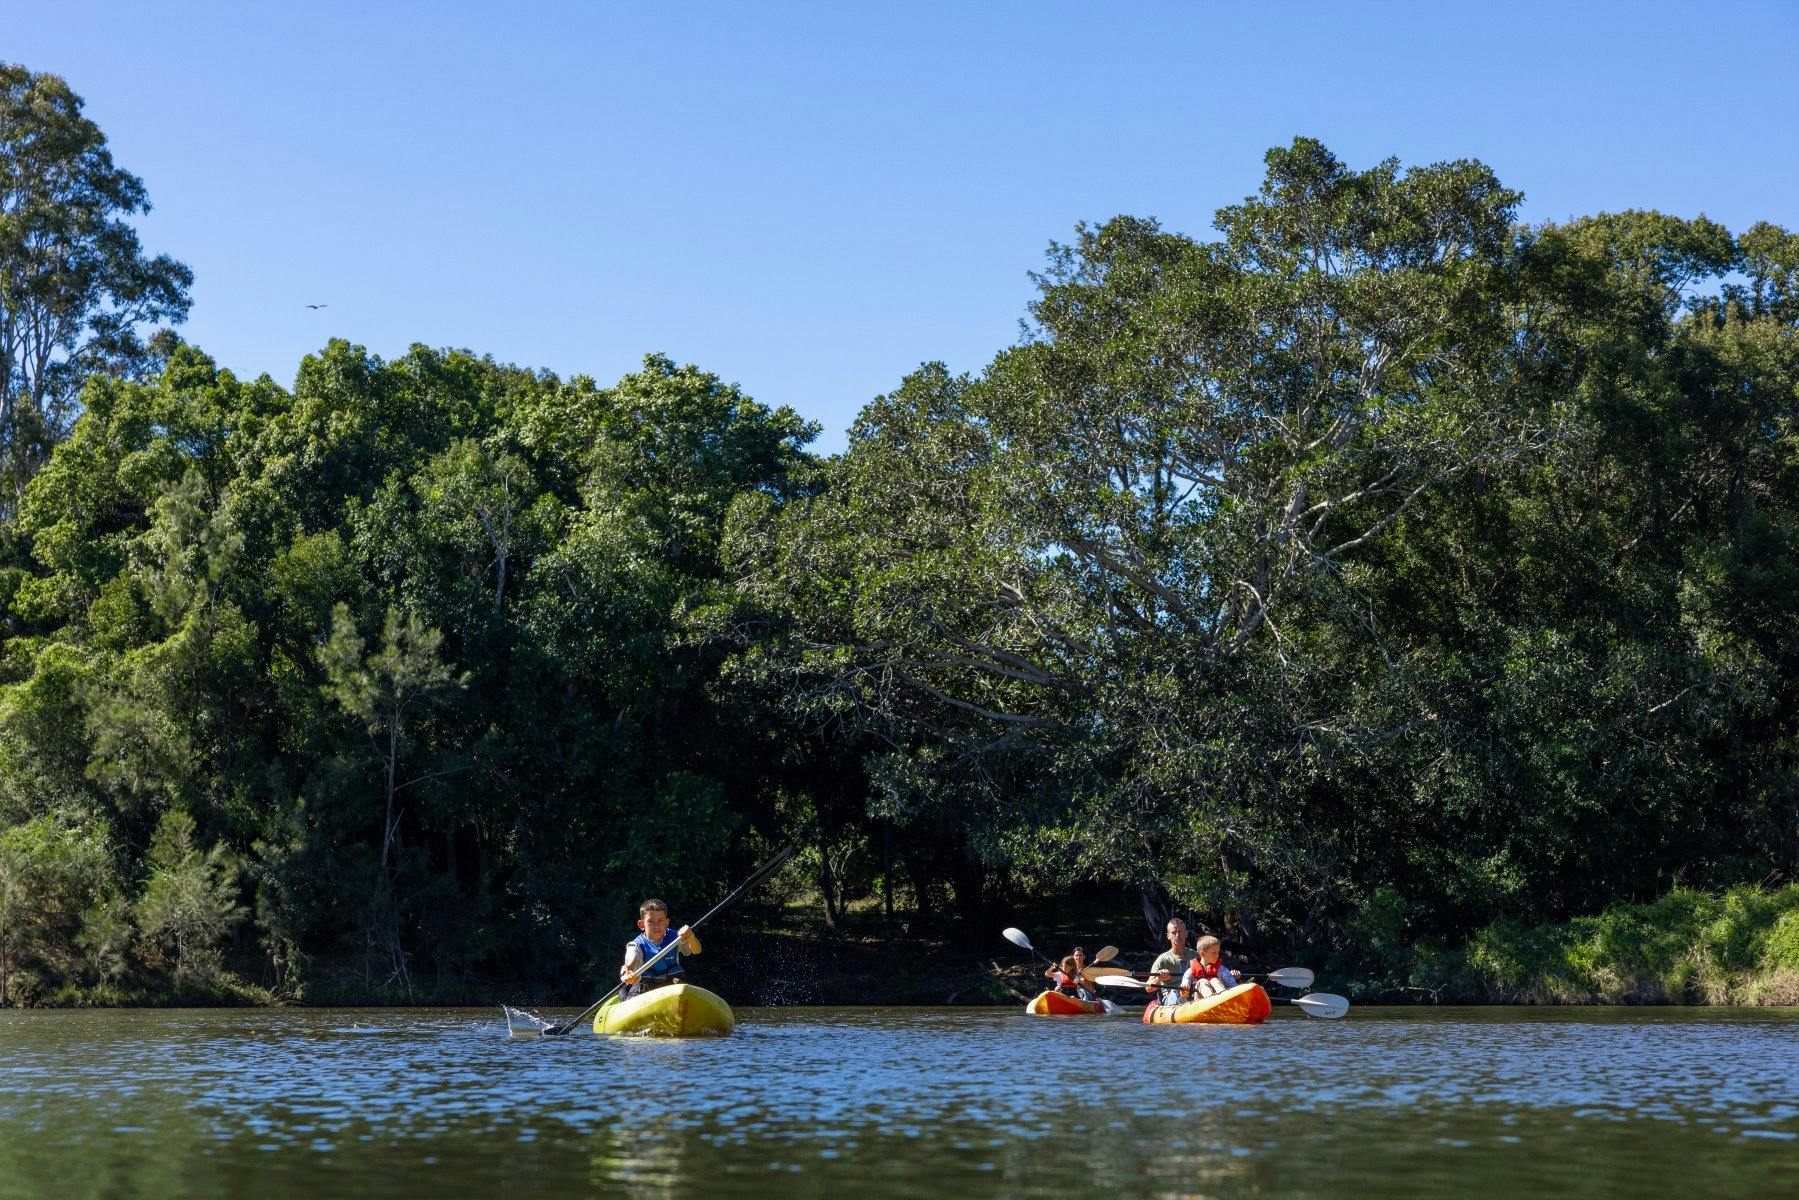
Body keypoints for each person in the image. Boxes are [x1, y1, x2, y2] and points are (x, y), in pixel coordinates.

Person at [619, 898, 700, 999]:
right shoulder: (636, 945)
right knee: (630, 992)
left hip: (672, 983)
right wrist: (626, 973)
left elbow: (696, 950)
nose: (656, 926)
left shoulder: (677, 937)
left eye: (660, 921)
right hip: (647, 986)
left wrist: (691, 937)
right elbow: (628, 965)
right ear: (641, 924)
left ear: (667, 922)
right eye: (650, 921)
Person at [1147, 919, 1197, 1005]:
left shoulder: (1195, 956)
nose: (1177, 935)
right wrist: (1159, 979)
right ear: (1168, 936)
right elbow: (1148, 988)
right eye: (1174, 932)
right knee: (1176, 991)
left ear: (1186, 934)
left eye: (1180, 932)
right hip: (1170, 997)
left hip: (1191, 993)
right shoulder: (1162, 959)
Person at [1181, 934, 1240, 999]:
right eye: (1214, 953)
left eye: (1218, 952)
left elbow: (1233, 985)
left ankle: (1224, 999)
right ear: (1202, 953)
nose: (1217, 955)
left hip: (1220, 999)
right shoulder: (1190, 971)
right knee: (1202, 981)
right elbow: (1184, 992)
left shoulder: (1221, 969)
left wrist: (1234, 976)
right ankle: (1212, 1000)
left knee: (1214, 980)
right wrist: (1184, 991)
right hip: (1199, 1001)